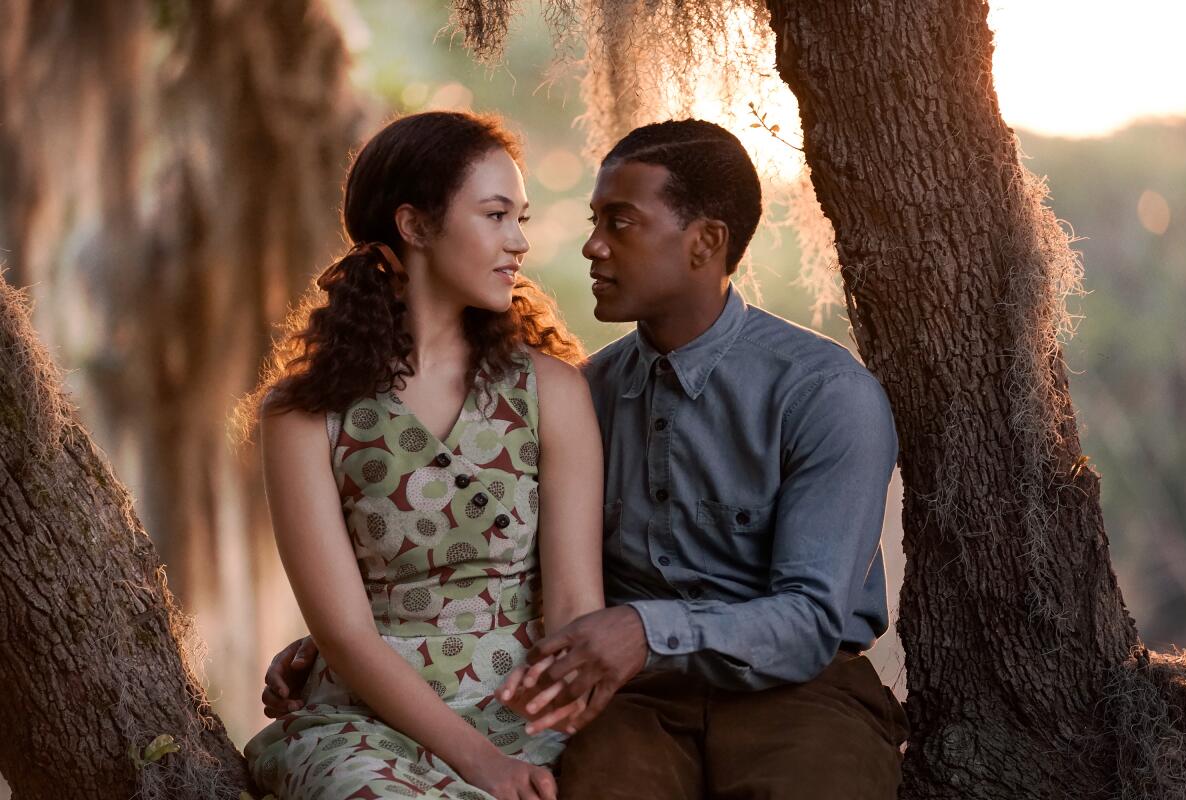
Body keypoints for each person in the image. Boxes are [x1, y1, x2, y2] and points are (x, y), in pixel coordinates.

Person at [265, 119, 910, 799]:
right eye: (592, 219)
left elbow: (811, 620)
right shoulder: (589, 389)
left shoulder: (823, 393)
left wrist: (642, 629)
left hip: (796, 689)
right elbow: (487, 561)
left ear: (706, 243)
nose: (587, 246)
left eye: (619, 223)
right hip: (627, 697)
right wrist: (348, 642)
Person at [242, 110, 605, 800]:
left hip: (530, 715)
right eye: (496, 215)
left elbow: (575, 604)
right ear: (414, 226)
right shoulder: (302, 415)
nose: (520, 241)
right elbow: (345, 635)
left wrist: (552, 736)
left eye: (519, 217)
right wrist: (480, 763)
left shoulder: (550, 391)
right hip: (365, 724)